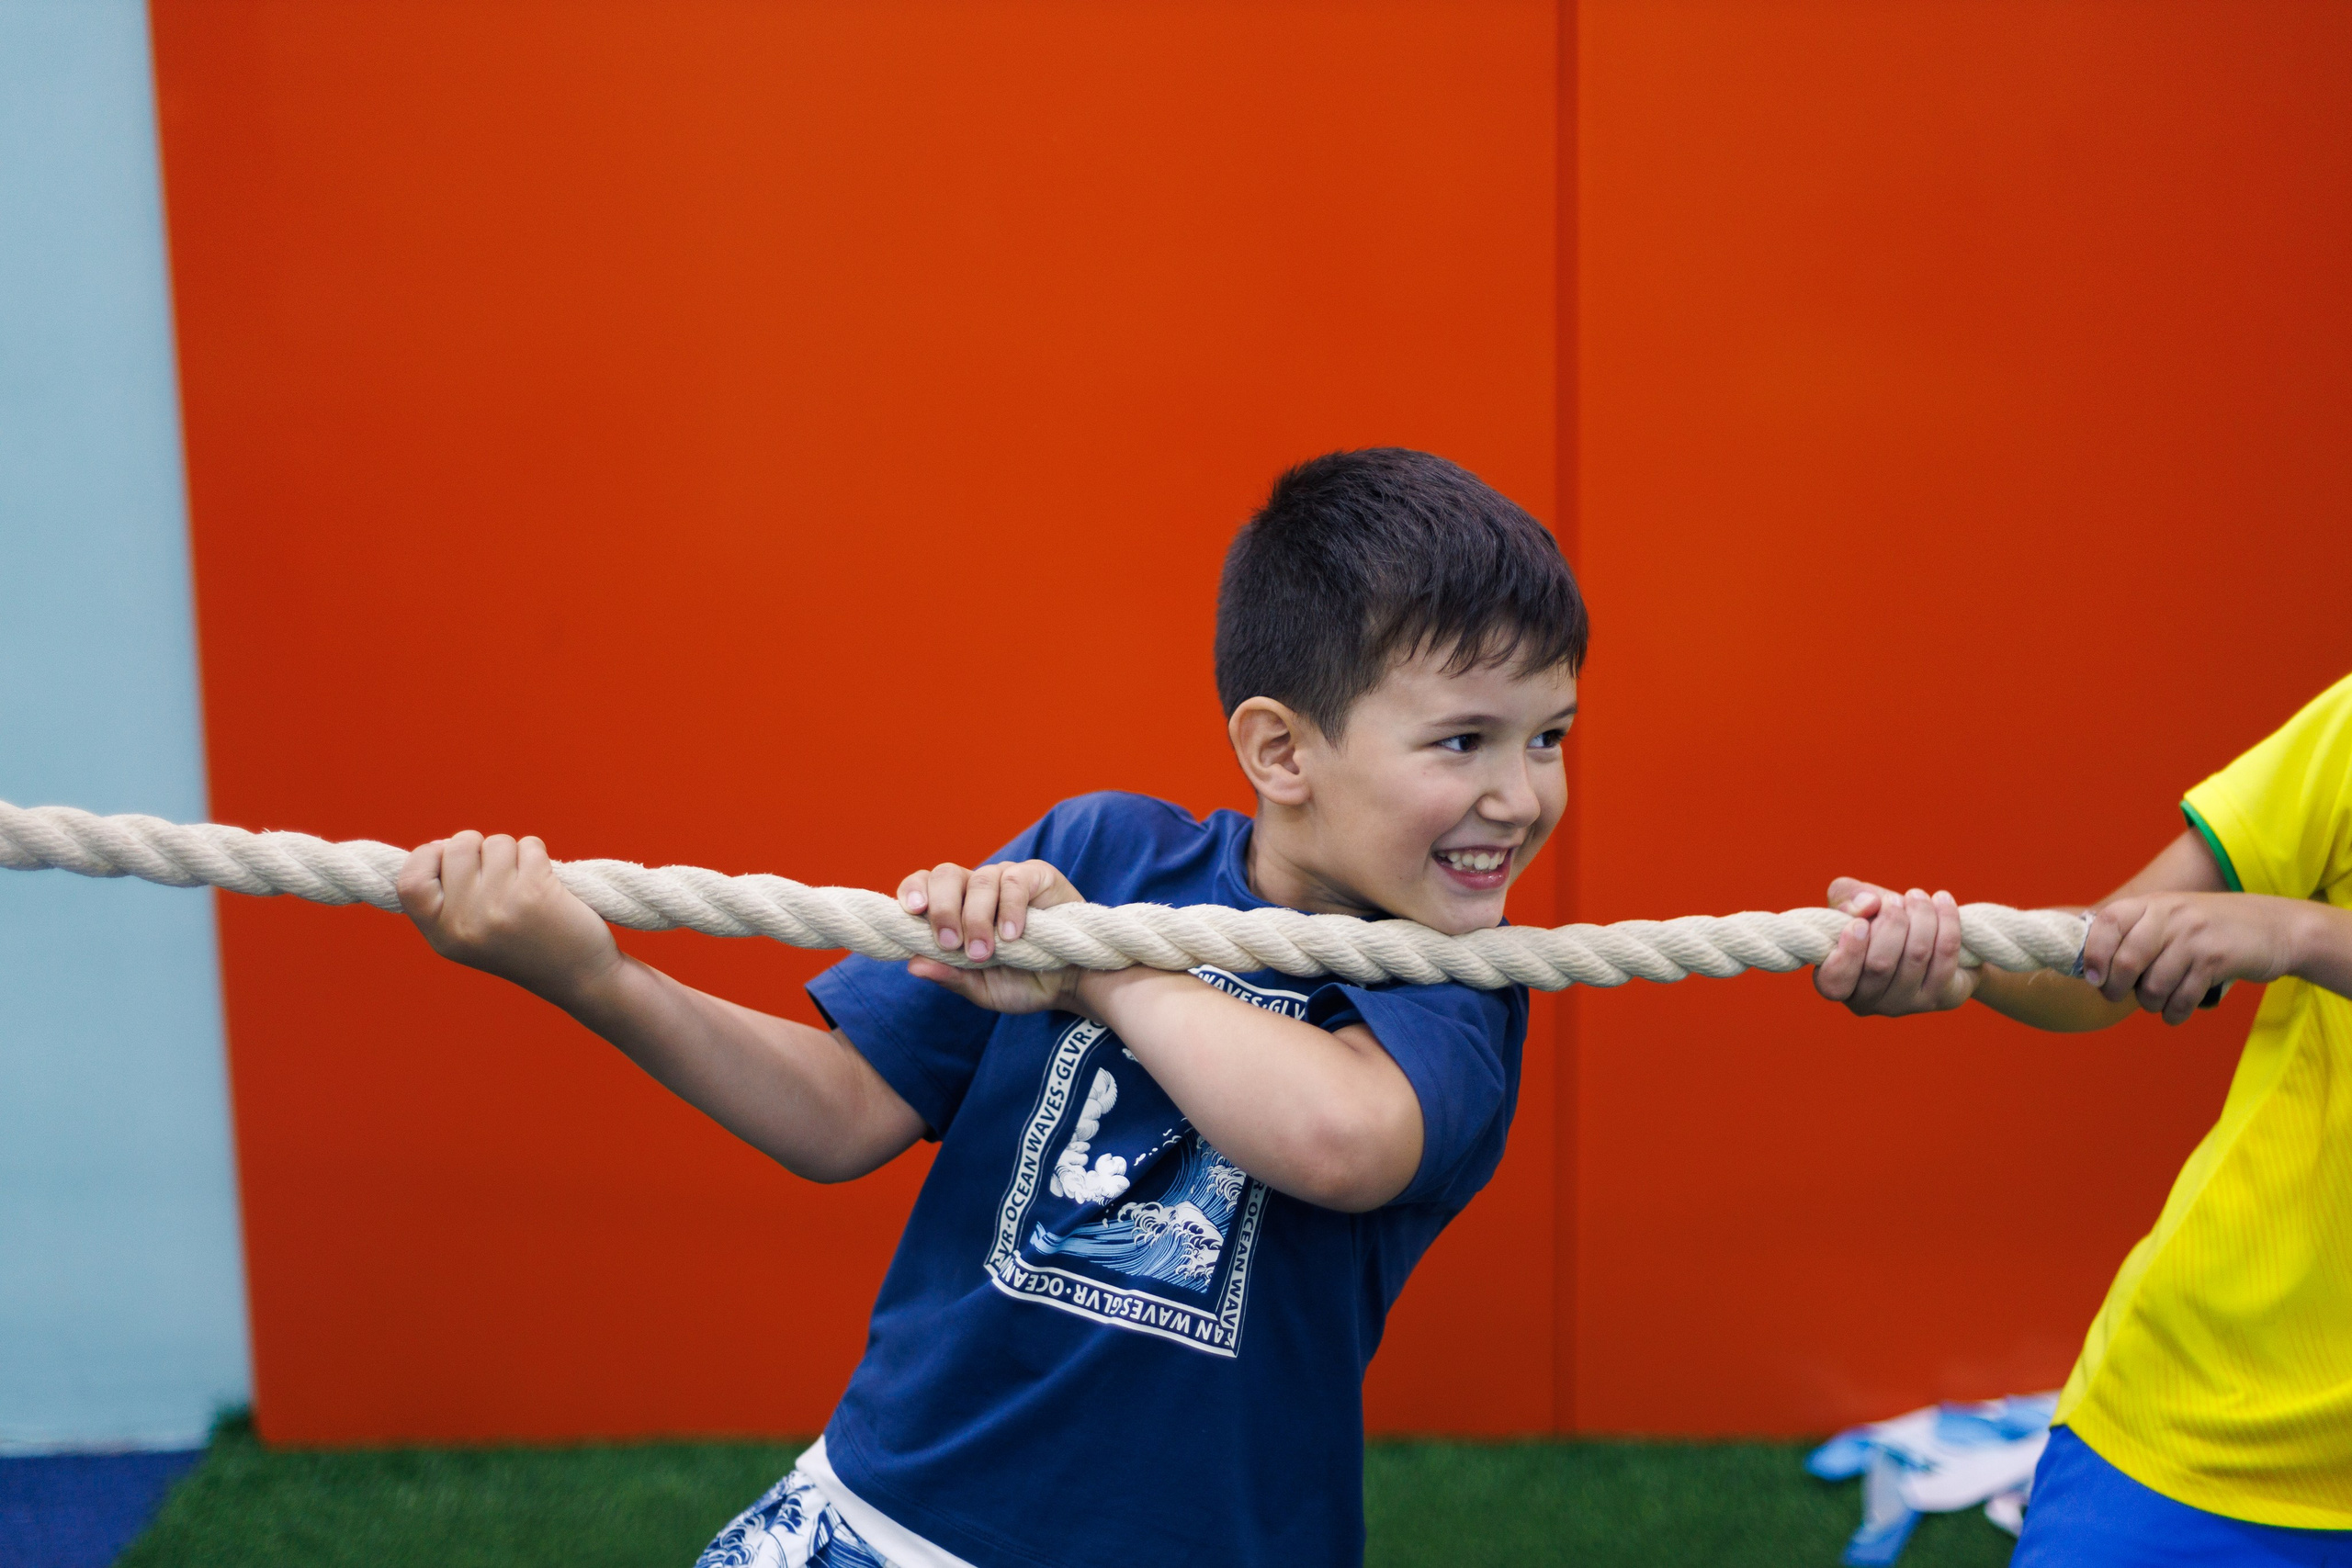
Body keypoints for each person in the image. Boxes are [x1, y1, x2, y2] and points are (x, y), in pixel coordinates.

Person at [392, 448, 1588, 1568]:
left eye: (1549, 736)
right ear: (1281, 750)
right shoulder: (1100, 849)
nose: (1521, 793)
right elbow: (839, 1112)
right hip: (888, 1513)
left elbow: (1342, 1137)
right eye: (1463, 739)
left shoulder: (1451, 979)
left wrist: (1099, 973)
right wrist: (593, 975)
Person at [1815, 673, 2352, 1565]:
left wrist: (2303, 936)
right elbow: (2106, 949)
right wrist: (1970, 969)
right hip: (2198, 1419)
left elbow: (2278, 931)